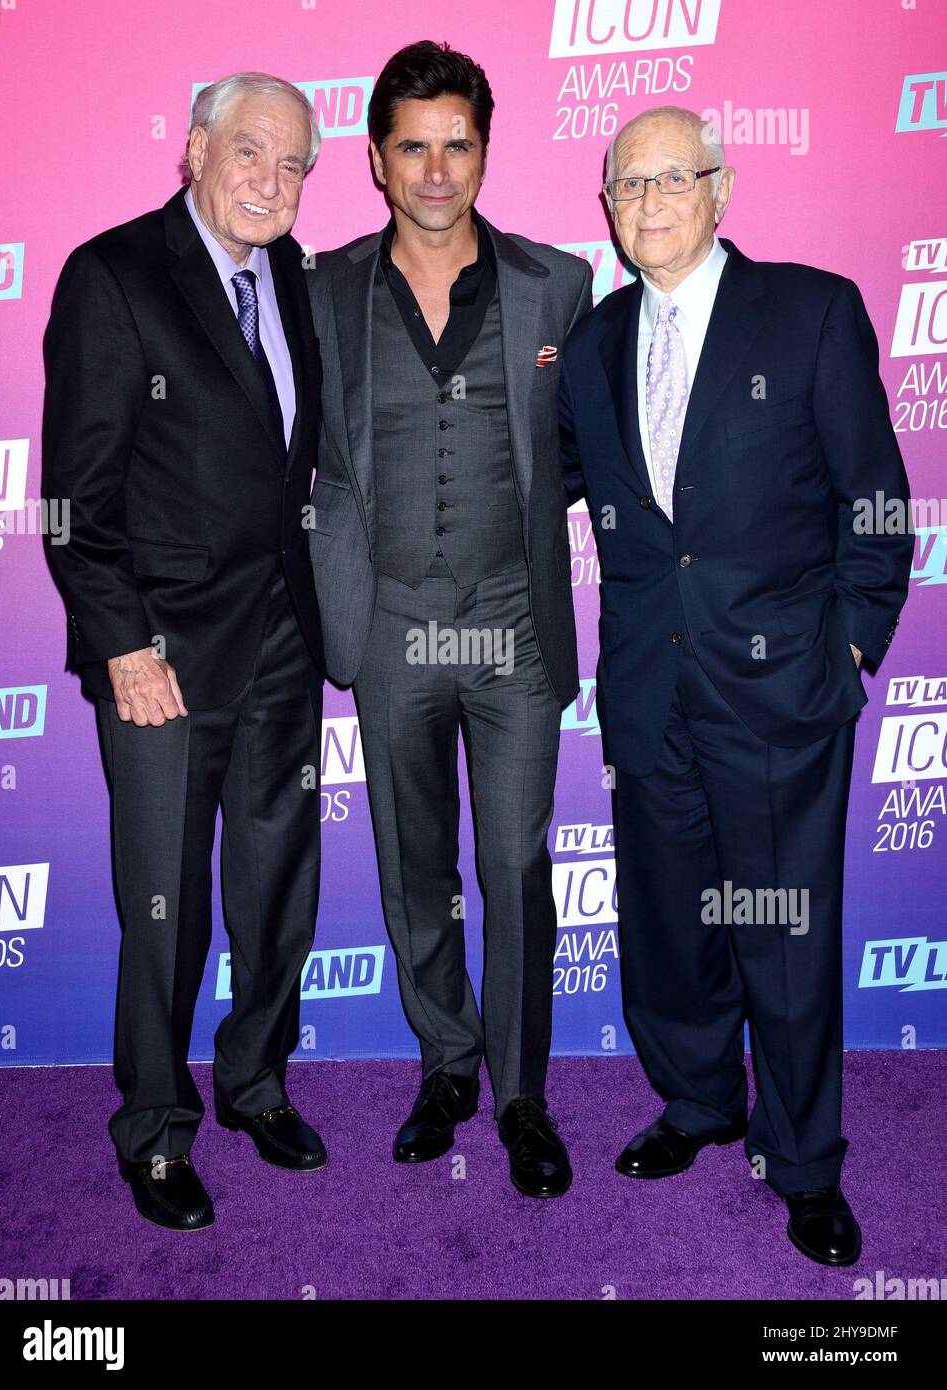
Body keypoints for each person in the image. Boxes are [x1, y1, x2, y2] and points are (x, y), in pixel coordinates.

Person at [559, 105, 912, 1262]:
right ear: (604, 208)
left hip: (780, 695)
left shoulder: (808, 311)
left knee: (785, 936)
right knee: (669, 924)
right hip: (648, 693)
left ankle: (803, 1158)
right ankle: (700, 1102)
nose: (647, 203)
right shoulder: (597, 343)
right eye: (626, 186)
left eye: (672, 179)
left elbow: (874, 500)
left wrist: (850, 647)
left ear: (721, 190)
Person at [41, 72, 328, 1231]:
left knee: (274, 893)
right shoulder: (112, 275)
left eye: (294, 164)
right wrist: (121, 646)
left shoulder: (295, 280)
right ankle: (155, 1130)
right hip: (159, 654)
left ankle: (254, 1084)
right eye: (250, 153)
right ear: (196, 152)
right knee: (164, 908)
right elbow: (73, 497)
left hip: (283, 643)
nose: (271, 180)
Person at [307, 40, 592, 1198]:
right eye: (411, 148)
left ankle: (521, 1093)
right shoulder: (320, 288)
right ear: (376, 160)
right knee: (412, 861)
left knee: (516, 861)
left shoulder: (554, 284)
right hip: (386, 621)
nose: (435, 171)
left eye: (455, 145)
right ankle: (446, 1059)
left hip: (511, 619)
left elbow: (586, 449)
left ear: (484, 150)